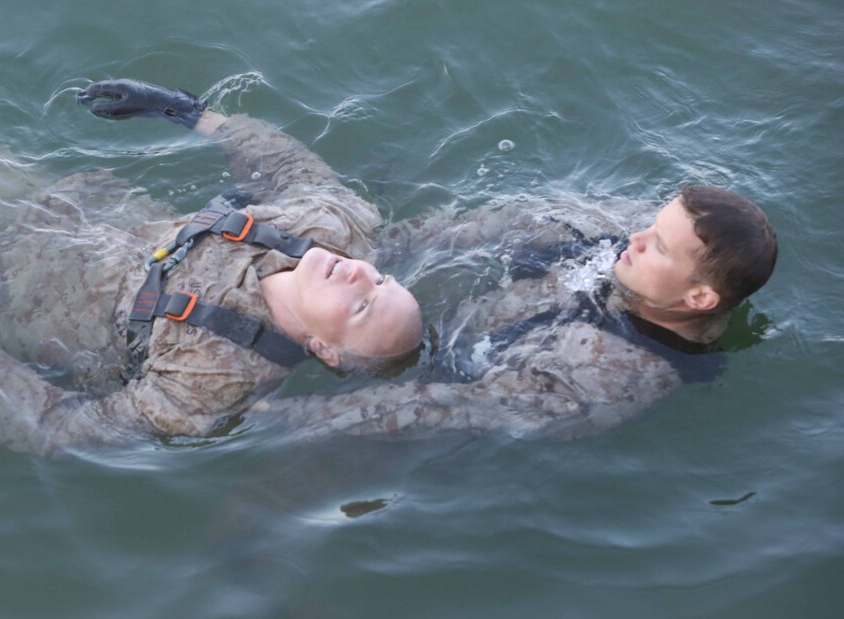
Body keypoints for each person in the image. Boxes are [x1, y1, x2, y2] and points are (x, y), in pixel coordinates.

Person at [0, 78, 424, 455]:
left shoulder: (209, 384)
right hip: (57, 207)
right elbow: (286, 163)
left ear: (324, 349)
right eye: (379, 280)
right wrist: (183, 111)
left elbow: (62, 430)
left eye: (361, 307)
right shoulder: (335, 228)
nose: (358, 274)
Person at [252, 182, 777, 440]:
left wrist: (295, 417)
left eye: (659, 245)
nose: (636, 237)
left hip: (435, 380)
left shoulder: (618, 374)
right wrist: (374, 256)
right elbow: (508, 217)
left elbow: (451, 409)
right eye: (652, 225)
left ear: (700, 299)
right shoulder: (631, 241)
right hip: (442, 314)